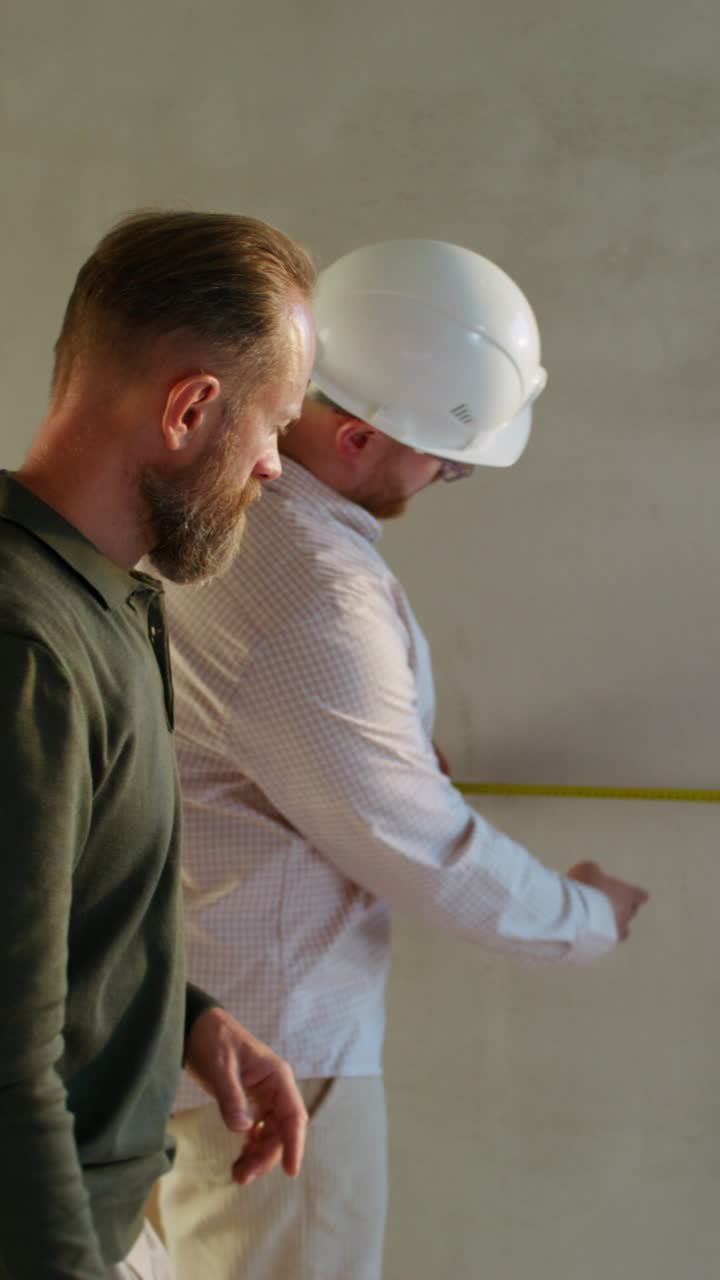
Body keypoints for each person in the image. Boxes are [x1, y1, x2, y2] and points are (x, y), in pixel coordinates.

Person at [158, 239, 649, 1280]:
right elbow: (420, 843)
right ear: (350, 432)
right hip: (282, 1073)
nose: (450, 474)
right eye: (441, 453)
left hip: (176, 1032)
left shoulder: (210, 522)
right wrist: (584, 917)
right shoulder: (310, 593)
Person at [0, 209, 317, 1280]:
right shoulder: (27, 643)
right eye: (275, 426)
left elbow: (52, 930)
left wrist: (184, 1017)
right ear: (189, 407)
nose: (274, 468)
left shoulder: (101, 602)